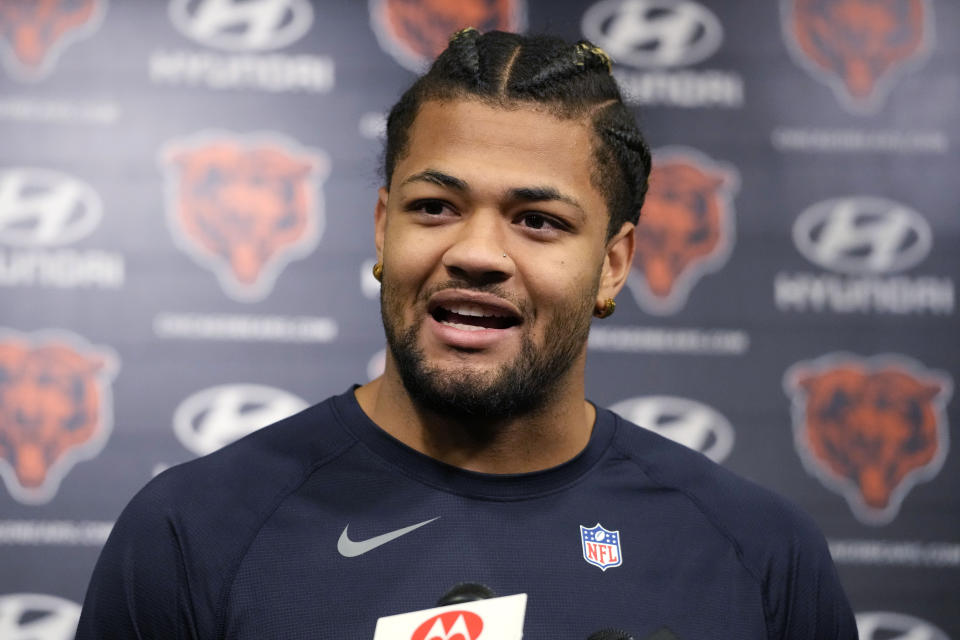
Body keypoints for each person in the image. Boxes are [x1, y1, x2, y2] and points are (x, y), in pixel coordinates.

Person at [76, 30, 856, 639]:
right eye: (435, 208)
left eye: (538, 221)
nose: (477, 253)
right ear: (383, 230)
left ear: (614, 265)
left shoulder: (760, 555)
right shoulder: (192, 532)